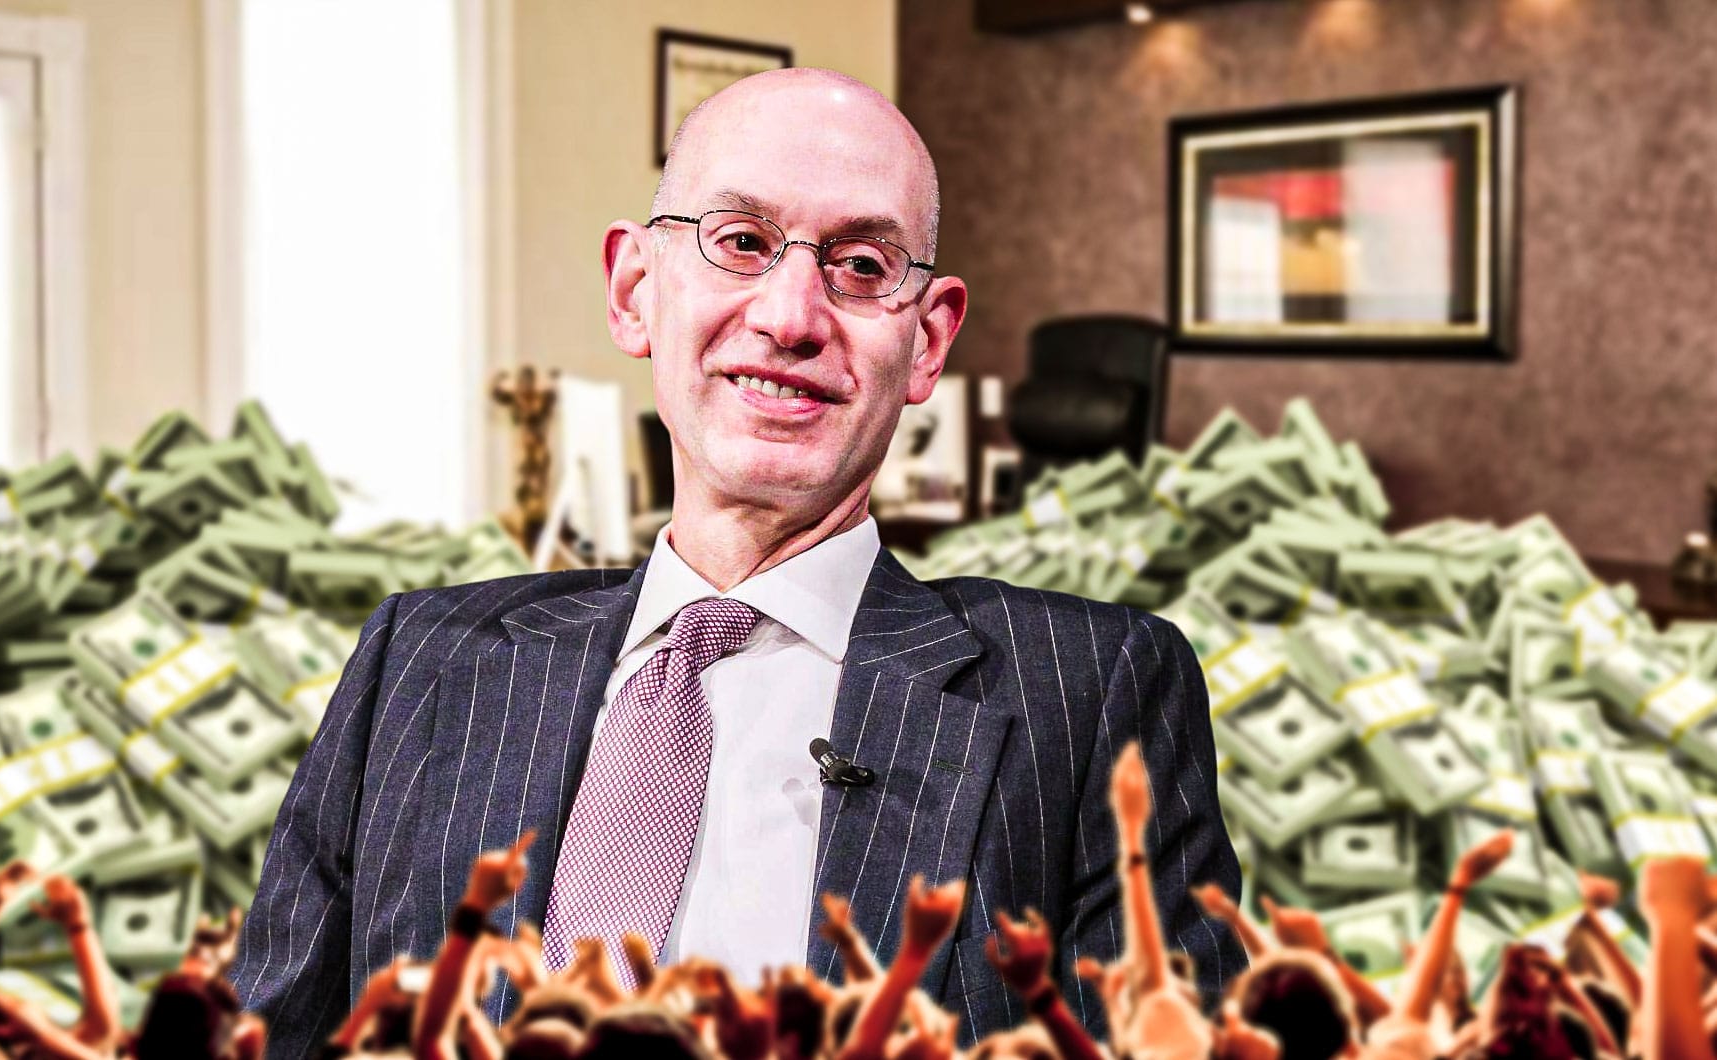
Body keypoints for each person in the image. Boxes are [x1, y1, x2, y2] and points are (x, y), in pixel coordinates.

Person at [233, 65, 1244, 1057]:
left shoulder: (1089, 694)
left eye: (862, 265)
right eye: (743, 242)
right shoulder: (419, 660)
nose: (790, 317)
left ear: (928, 341)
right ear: (634, 290)